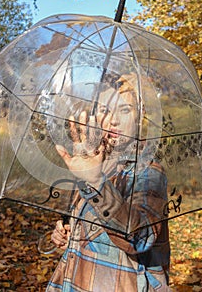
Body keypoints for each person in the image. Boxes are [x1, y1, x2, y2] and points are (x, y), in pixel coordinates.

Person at [46, 74, 170, 292]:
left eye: (124, 110)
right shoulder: (93, 164)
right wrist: (67, 233)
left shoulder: (149, 172)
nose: (113, 120)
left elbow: (139, 239)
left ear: (139, 118)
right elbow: (90, 232)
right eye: (105, 110)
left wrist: (95, 181)